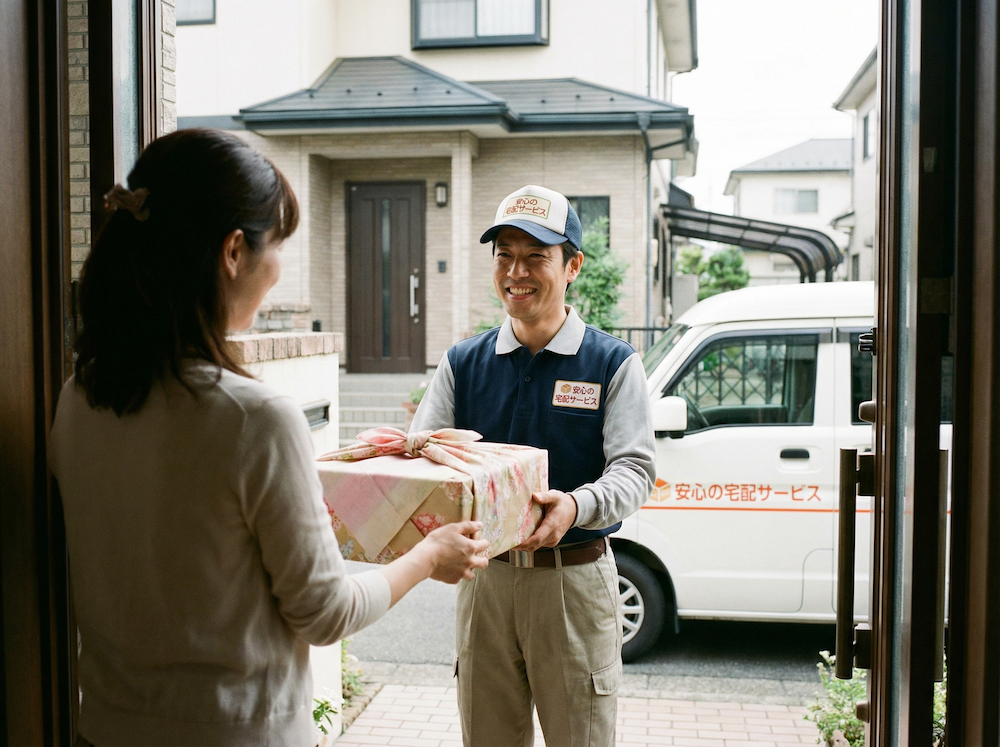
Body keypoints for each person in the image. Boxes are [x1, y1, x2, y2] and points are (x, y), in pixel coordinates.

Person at [48, 128, 488, 747]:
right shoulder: (253, 419)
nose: (279, 269)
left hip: (104, 729)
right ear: (233, 251)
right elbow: (325, 612)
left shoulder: (78, 398)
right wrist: (427, 557)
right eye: (277, 245)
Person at [411, 185, 656, 747]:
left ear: (572, 266)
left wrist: (576, 505)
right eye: (505, 255)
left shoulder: (612, 363)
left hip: (573, 583)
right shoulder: (463, 363)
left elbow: (634, 471)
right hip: (485, 585)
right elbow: (425, 459)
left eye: (536, 257)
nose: (516, 272)